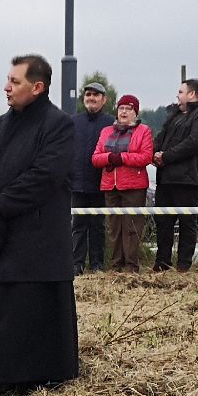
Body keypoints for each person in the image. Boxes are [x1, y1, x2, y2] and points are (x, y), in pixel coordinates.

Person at [0, 54, 78, 391]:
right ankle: (1, 375)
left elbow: (44, 176)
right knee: (5, 309)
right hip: (4, 235)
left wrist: (3, 202)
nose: (7, 87)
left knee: (35, 309)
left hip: (40, 239)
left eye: (14, 81)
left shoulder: (58, 125)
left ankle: (34, 378)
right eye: (8, 79)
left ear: (37, 87)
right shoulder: (2, 124)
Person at [151, 78, 198, 272]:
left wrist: (167, 156)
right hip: (166, 179)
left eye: (181, 92)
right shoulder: (174, 117)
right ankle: (162, 263)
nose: (177, 96)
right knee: (163, 222)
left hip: (188, 179)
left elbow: (194, 142)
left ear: (192, 94)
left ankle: (183, 265)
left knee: (187, 222)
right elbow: (160, 139)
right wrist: (154, 153)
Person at [94, 94, 153, 271]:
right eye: (121, 108)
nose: (124, 112)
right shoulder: (106, 132)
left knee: (132, 227)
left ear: (136, 112)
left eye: (128, 109)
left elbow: (145, 157)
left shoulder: (143, 131)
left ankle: (131, 266)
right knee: (114, 228)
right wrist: (109, 157)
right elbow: (95, 158)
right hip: (110, 185)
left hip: (134, 186)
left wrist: (122, 158)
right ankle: (116, 265)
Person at [69, 80, 113, 274]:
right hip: (77, 184)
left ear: (104, 99)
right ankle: (76, 264)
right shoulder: (73, 122)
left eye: (96, 95)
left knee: (97, 226)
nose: (91, 98)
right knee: (78, 225)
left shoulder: (111, 123)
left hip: (100, 183)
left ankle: (97, 264)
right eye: (88, 95)